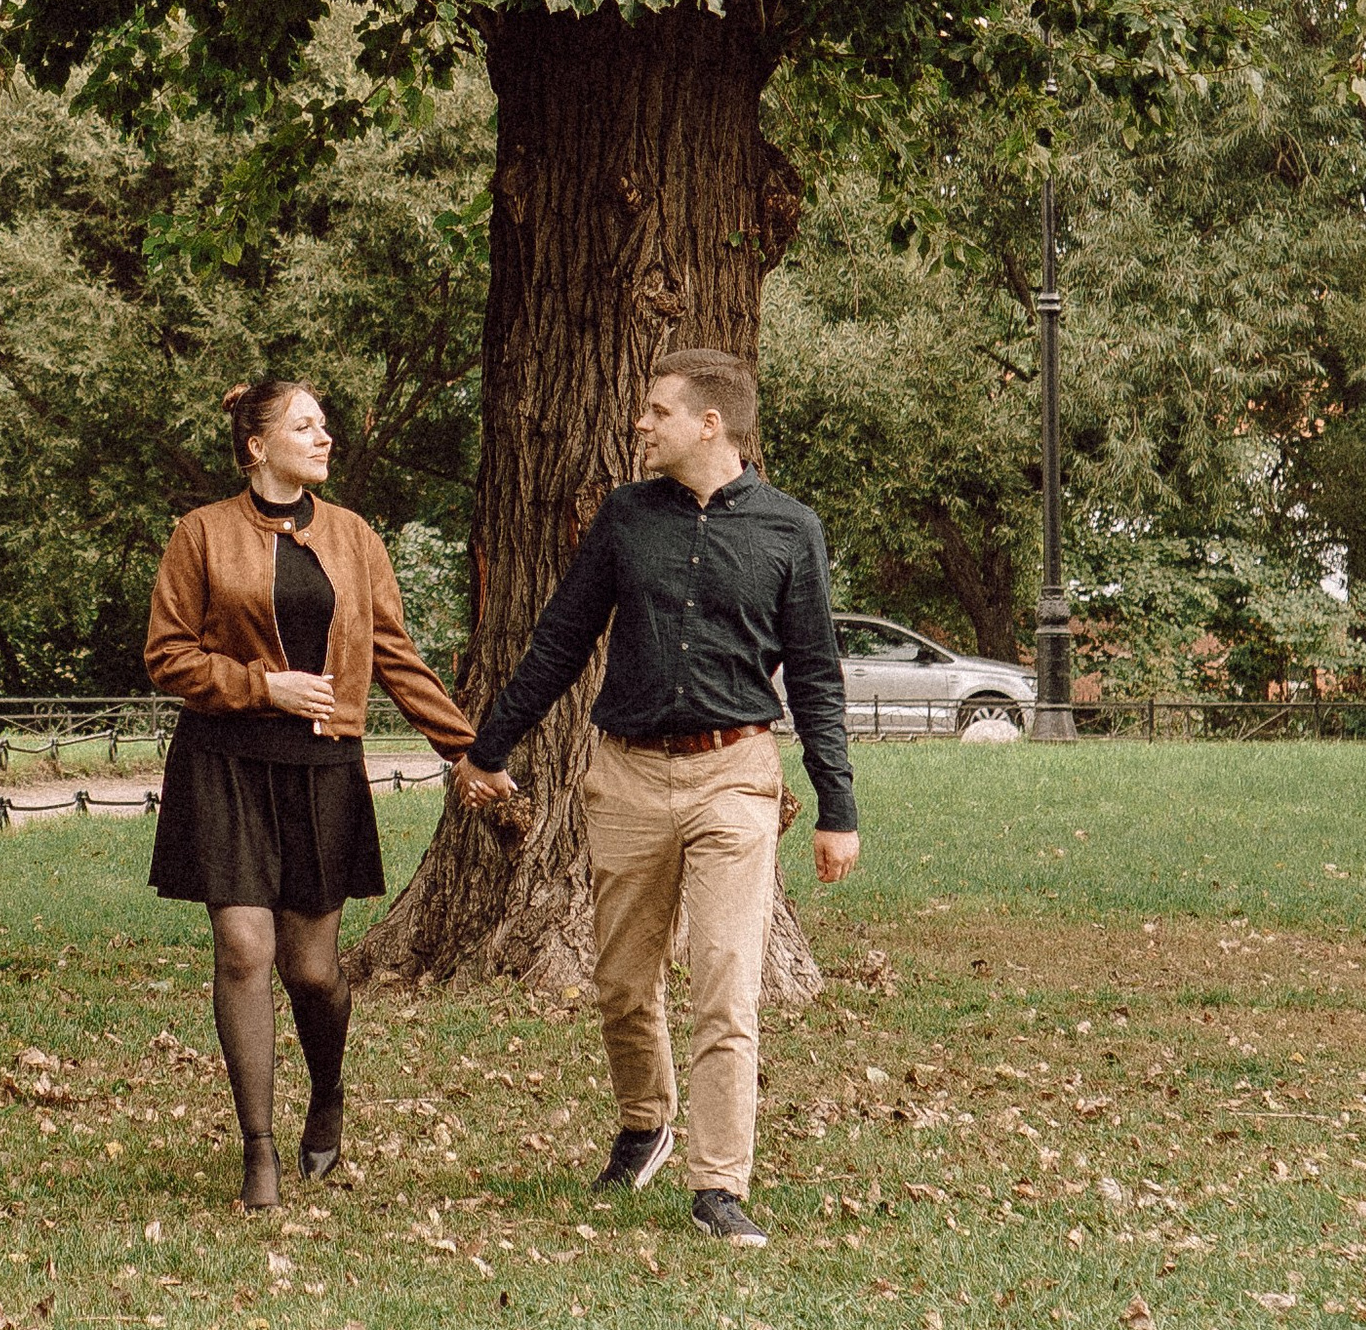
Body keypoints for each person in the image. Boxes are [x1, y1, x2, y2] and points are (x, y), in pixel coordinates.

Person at [454, 343, 858, 1247]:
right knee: (623, 982)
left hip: (735, 776)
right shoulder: (625, 518)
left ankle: (719, 1184)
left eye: (657, 412)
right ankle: (647, 1123)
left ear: (710, 424)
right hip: (627, 773)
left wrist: (838, 806)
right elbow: (561, 639)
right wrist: (488, 749)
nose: (641, 424)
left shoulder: (791, 529)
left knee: (725, 982)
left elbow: (819, 678)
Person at [145, 376, 478, 1211]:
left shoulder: (355, 538)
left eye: (324, 426)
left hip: (323, 768)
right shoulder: (201, 535)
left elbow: (395, 655)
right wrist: (266, 687)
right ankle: (257, 1150)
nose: (325, 438)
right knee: (243, 950)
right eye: (305, 426)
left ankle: (325, 1094)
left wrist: (467, 750)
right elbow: (167, 657)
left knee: (313, 969)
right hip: (224, 761)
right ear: (258, 447)